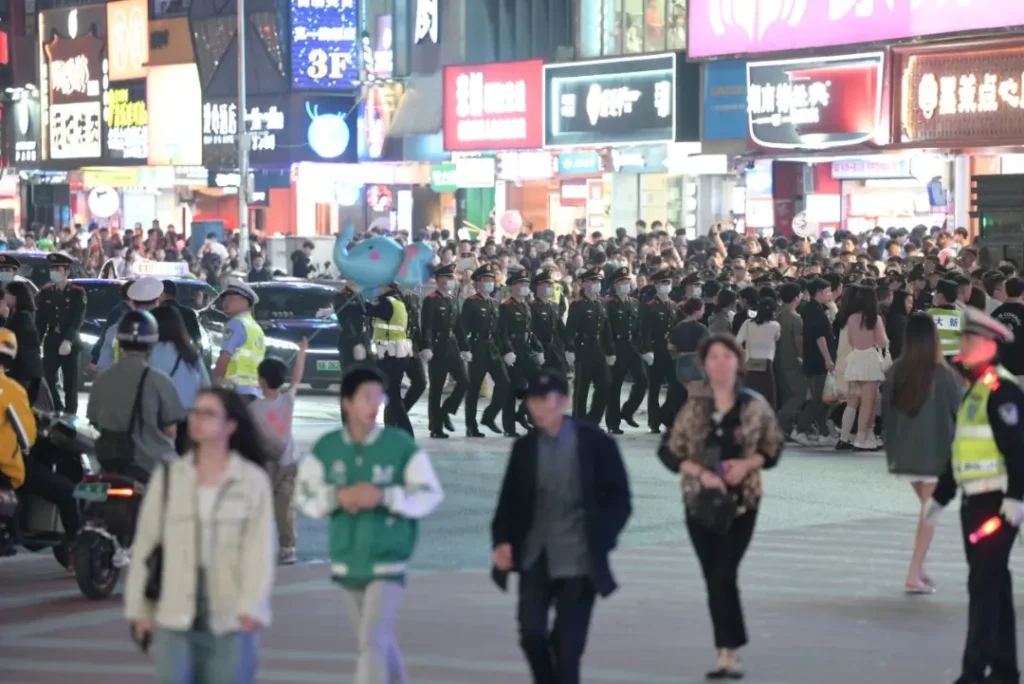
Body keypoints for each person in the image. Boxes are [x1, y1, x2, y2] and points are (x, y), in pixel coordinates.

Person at [295, 365, 444, 684]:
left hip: (388, 557)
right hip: (347, 558)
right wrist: (337, 497)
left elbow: (430, 494)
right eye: (367, 397)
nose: (375, 404)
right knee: (376, 640)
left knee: (372, 640)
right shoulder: (327, 448)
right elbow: (304, 497)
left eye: (380, 397)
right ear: (347, 402)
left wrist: (386, 496)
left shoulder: (400, 446)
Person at [124, 387, 275, 684]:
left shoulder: (251, 481)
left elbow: (260, 551)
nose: (197, 420)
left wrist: (252, 606)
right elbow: (145, 546)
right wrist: (139, 610)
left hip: (230, 612)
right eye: (196, 411)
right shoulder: (169, 478)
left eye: (209, 413)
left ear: (230, 426)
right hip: (175, 606)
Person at [491, 368, 632, 684]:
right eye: (532, 400)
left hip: (579, 561)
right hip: (535, 557)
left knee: (567, 648)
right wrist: (502, 542)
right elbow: (509, 502)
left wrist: (603, 537)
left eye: (544, 400)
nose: (537, 407)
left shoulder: (595, 444)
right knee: (531, 635)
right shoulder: (525, 448)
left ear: (564, 401)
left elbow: (620, 499)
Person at [663, 334, 783, 679]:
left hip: (742, 503)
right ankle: (727, 649)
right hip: (699, 502)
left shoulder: (754, 405)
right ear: (704, 364)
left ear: (738, 361)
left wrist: (747, 465)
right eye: (712, 357)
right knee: (714, 577)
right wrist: (700, 472)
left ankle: (728, 652)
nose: (719, 363)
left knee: (723, 573)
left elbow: (773, 448)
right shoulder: (694, 407)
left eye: (726, 356)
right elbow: (670, 451)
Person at [922, 308, 1024, 684]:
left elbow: (1018, 448)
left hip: (996, 505)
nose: (961, 345)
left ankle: (974, 673)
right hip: (975, 503)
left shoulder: (1002, 390)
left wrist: (1016, 496)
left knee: (983, 585)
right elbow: (961, 451)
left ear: (987, 345)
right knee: (994, 582)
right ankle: (1004, 670)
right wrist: (942, 496)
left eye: (968, 339)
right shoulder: (977, 390)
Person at [881, 313, 961, 594]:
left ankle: (920, 568)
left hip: (904, 454)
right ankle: (914, 573)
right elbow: (959, 413)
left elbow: (886, 417)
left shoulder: (895, 372)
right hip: (937, 454)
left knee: (927, 511)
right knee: (929, 515)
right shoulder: (946, 376)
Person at [88, 310, 186, 481]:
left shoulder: (101, 380)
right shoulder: (160, 381)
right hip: (153, 467)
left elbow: (95, 422)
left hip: (110, 465)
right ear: (152, 343)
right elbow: (170, 430)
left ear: (119, 341)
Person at [249, 341, 308, 566]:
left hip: (267, 465)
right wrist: (302, 352)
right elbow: (297, 377)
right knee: (285, 507)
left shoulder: (254, 408)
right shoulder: (287, 400)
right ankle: (287, 547)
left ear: (261, 380)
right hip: (290, 462)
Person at [149, 305, 211, 453]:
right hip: (189, 420)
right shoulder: (191, 352)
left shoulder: (151, 352)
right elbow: (206, 386)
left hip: (163, 419)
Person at [419, 263, 469, 439]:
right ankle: (435, 426)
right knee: (436, 389)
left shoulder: (453, 300)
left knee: (464, 381)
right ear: (439, 279)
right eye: (448, 277)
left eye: (452, 278)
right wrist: (427, 346)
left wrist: (465, 347)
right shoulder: (431, 300)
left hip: (453, 348)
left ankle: (445, 411)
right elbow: (426, 326)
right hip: (438, 348)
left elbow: (459, 327)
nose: (451, 281)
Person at [461, 265, 510, 438]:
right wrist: (465, 348)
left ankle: (489, 416)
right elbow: (462, 327)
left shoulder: (495, 304)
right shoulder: (472, 302)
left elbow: (500, 330)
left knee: (505, 383)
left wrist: (506, 350)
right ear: (478, 282)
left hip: (493, 347)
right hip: (477, 346)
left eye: (491, 280)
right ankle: (471, 425)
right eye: (486, 280)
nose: (490, 283)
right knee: (474, 388)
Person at [36, 252, 87, 415]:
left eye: (58, 268)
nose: (54, 272)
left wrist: (68, 340)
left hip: (70, 342)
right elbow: (41, 322)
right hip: (51, 341)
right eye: (52, 268)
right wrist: (36, 344)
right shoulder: (46, 292)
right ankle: (57, 407)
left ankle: (70, 412)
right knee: (46, 375)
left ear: (67, 272)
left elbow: (78, 319)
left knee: (70, 382)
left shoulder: (77, 292)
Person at [841, 286, 890, 451]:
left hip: (855, 358)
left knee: (856, 401)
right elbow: (882, 342)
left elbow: (850, 340)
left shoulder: (851, 318)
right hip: (870, 359)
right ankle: (861, 438)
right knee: (869, 403)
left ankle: (860, 436)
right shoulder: (875, 319)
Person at [498, 270, 545, 437]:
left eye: (526, 283)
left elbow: (530, 331)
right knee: (510, 390)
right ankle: (509, 427)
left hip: (525, 350)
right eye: (521, 284)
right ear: (513, 287)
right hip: (513, 352)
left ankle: (524, 413)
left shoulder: (526, 305)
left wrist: (538, 348)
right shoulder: (506, 306)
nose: (525, 287)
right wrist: (508, 351)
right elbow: (502, 332)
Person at [565, 267, 614, 424]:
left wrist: (611, 351)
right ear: (584, 284)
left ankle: (593, 420)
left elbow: (607, 330)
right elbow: (570, 330)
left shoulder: (601, 304)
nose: (596, 284)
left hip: (599, 349)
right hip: (583, 349)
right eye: (593, 281)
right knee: (581, 389)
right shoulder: (578, 305)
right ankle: (579, 421)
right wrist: (570, 349)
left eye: (598, 281)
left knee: (605, 386)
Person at [605, 267, 647, 434]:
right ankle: (613, 423)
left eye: (627, 281)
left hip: (632, 348)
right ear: (615, 285)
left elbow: (639, 329)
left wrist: (644, 349)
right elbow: (605, 330)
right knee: (614, 387)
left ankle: (628, 411)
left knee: (642, 381)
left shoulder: (635, 303)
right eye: (622, 281)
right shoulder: (608, 304)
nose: (626, 284)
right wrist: (609, 351)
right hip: (616, 347)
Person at [371, 282, 416, 436]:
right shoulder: (398, 301)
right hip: (399, 354)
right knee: (393, 395)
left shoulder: (386, 302)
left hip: (390, 355)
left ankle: (406, 432)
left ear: (387, 288)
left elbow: (369, 310)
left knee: (393, 397)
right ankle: (400, 430)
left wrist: (359, 299)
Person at [639, 269, 680, 433]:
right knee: (654, 388)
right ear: (656, 285)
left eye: (668, 283)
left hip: (671, 353)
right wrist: (647, 350)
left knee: (675, 387)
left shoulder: (673, 305)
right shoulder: (649, 307)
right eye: (663, 283)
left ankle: (668, 417)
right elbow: (644, 331)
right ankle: (654, 421)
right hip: (656, 352)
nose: (666, 286)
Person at [212, 280, 266, 403]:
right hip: (255, 393)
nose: (225, 302)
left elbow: (224, 357)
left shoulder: (236, 323)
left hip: (236, 392)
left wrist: (216, 386)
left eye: (231, 298)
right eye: (224, 298)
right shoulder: (256, 328)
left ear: (245, 301)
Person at [96, 277, 164, 372]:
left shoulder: (114, 330)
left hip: (121, 383)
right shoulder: (165, 331)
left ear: (132, 303)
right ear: (157, 303)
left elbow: (103, 365)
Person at [1, 279, 44, 403]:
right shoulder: (17, 315)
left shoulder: (22, 316)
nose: (5, 297)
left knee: (21, 404)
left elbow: (12, 340)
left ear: (16, 296)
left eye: (7, 294)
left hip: (24, 370)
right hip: (24, 370)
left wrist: (4, 320)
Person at [736, 297, 780, 406]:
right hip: (767, 363)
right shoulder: (775, 326)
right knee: (768, 397)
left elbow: (737, 342)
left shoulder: (747, 323)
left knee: (750, 396)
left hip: (750, 362)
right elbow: (777, 338)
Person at [160, 279, 203, 345]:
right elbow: (197, 338)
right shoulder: (189, 313)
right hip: (186, 353)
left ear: (162, 294)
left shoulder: (158, 313)